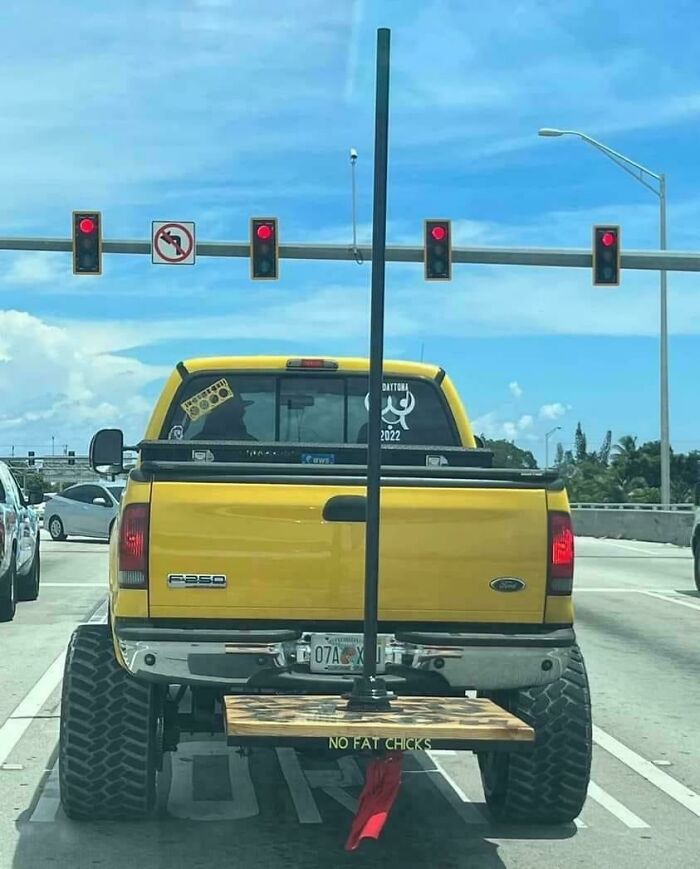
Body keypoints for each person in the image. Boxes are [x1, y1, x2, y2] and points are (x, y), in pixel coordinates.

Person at [192, 391, 256, 441]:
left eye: (240, 413)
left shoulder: (253, 447)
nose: (243, 413)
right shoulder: (193, 445)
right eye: (234, 412)